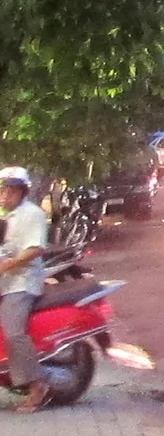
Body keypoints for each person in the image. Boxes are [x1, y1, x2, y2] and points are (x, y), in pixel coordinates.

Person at [0, 169, 55, 413]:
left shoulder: (32, 214)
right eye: (3, 190)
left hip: (21, 283)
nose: (5, 195)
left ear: (22, 192)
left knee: (13, 332)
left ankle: (37, 385)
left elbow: (35, 249)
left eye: (11, 190)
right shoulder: (6, 214)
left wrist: (7, 266)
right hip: (6, 281)